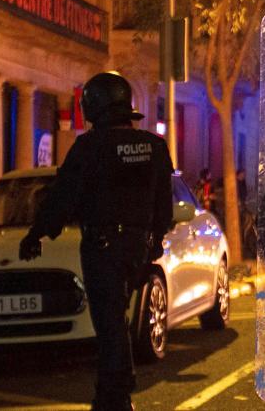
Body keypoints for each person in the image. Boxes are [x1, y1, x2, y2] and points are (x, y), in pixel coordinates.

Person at [18, 71, 172, 411]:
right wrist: (155, 241)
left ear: (95, 106)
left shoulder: (90, 147)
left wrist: (37, 233)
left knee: (109, 322)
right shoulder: (154, 147)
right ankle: (113, 392)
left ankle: (115, 396)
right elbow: (164, 203)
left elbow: (63, 196)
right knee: (116, 318)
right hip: (138, 247)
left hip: (103, 247)